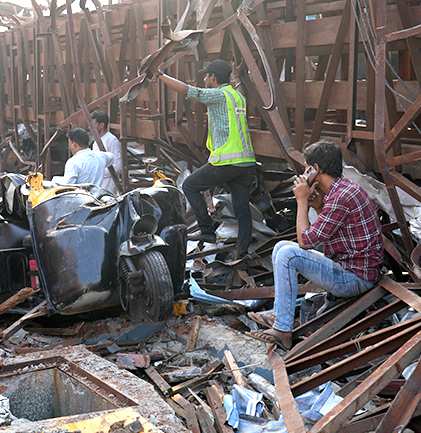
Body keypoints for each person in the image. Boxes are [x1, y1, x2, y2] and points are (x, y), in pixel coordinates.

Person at [246, 141, 384, 350]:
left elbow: (305, 241)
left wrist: (301, 201)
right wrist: (317, 206)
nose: (304, 173)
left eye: (306, 168)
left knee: (288, 255)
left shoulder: (341, 197)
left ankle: (283, 331)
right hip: (350, 269)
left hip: (355, 279)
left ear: (316, 169)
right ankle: (280, 318)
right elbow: (325, 233)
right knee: (280, 248)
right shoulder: (341, 189)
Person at [156, 59, 257, 258]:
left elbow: (189, 92)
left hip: (227, 162)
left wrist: (160, 75)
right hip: (246, 163)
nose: (204, 79)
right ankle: (243, 250)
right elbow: (241, 90)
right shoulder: (237, 96)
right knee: (242, 208)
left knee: (190, 186)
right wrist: (236, 78)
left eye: (206, 75)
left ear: (213, 77)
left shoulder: (218, 95)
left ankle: (207, 231)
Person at [90, 110, 122, 193]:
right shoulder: (95, 143)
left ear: (101, 125)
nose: (90, 128)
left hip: (109, 187)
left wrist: (98, 172)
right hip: (98, 186)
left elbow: (117, 166)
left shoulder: (112, 140)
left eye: (93, 125)